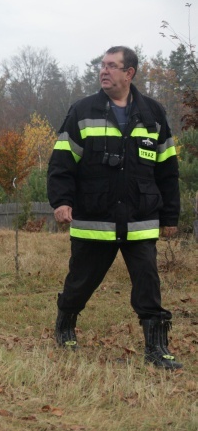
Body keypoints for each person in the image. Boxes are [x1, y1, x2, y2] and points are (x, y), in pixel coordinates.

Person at [47, 46, 182, 370]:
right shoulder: (83, 110)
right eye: (102, 66)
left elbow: (167, 169)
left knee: (148, 284)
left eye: (111, 66)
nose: (104, 71)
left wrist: (170, 215)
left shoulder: (153, 113)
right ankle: (65, 325)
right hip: (95, 218)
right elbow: (62, 161)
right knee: (80, 283)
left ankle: (157, 348)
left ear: (129, 73)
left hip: (140, 220)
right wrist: (62, 201)